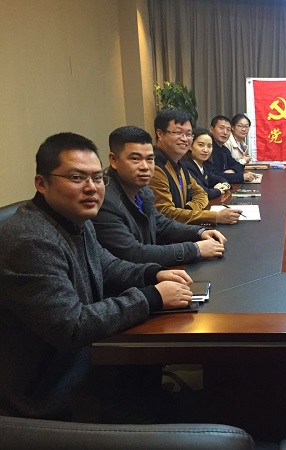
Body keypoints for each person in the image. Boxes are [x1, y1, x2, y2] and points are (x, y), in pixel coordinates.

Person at [0, 132, 195, 422]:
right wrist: (152, 296)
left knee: (169, 399)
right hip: (53, 396)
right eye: (77, 178)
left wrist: (153, 273)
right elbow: (72, 326)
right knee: (174, 412)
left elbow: (107, 265)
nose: (91, 188)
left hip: (92, 365)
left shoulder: (75, 220)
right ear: (41, 183)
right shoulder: (30, 240)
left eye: (97, 177)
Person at [93, 126, 227, 266]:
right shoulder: (104, 200)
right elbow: (133, 253)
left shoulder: (143, 190)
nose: (145, 167)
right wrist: (195, 249)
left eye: (150, 159)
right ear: (113, 160)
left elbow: (160, 224)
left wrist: (199, 232)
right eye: (135, 159)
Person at [149, 108, 241, 225]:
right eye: (178, 133)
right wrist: (214, 217)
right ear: (160, 134)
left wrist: (188, 211)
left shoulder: (179, 163)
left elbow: (201, 194)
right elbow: (166, 213)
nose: (184, 139)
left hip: (182, 228)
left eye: (188, 134)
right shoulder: (153, 166)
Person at [182, 127, 231, 200]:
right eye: (201, 145)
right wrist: (219, 191)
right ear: (190, 146)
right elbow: (202, 192)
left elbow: (219, 178)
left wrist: (225, 185)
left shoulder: (204, 166)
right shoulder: (186, 166)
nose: (205, 150)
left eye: (209, 146)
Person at [210, 115, 258, 184]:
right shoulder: (209, 149)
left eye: (228, 129)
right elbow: (213, 175)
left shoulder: (224, 149)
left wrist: (233, 171)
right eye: (221, 128)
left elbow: (238, 165)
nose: (225, 132)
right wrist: (241, 177)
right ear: (211, 129)